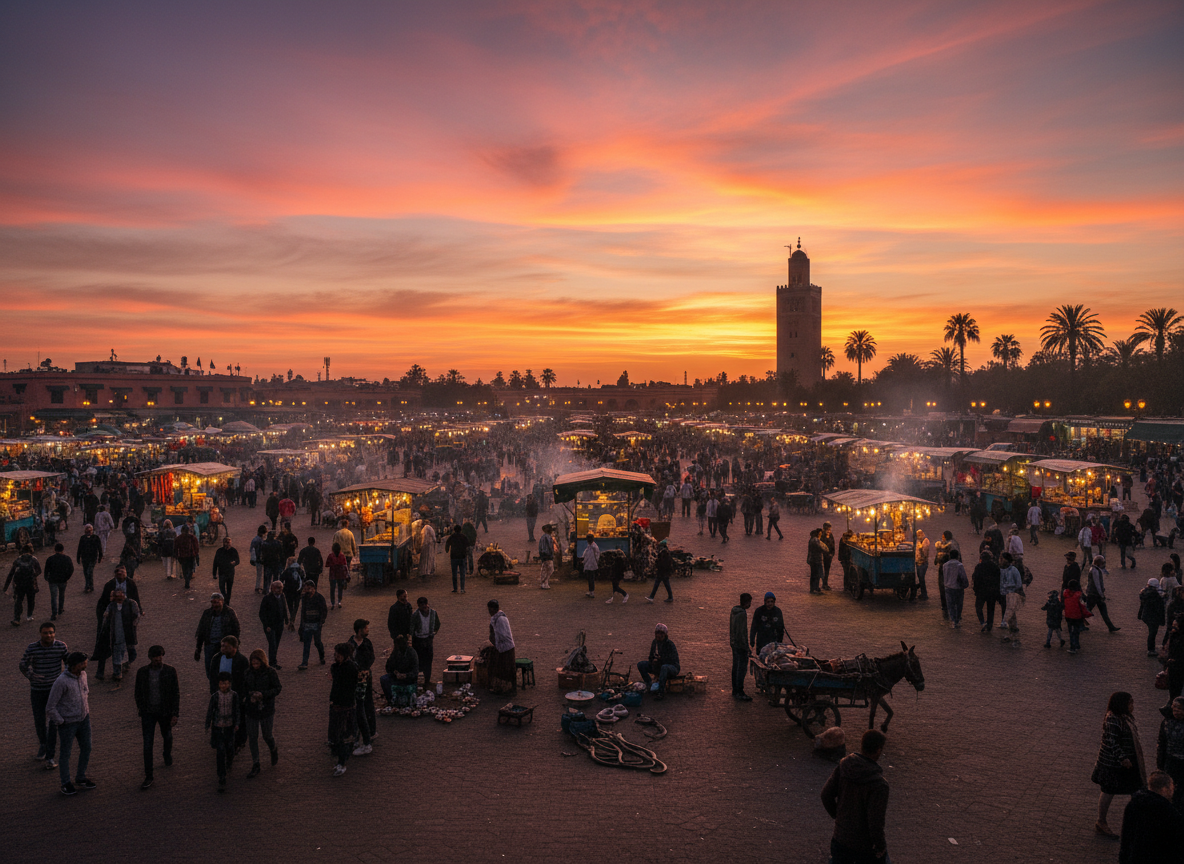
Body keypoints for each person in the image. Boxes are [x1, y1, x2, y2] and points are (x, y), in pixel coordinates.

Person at [820, 729, 890, 864]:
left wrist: (838, 816)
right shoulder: (879, 784)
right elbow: (875, 823)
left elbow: (825, 795)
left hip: (840, 838)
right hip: (864, 846)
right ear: (878, 750)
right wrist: (880, 847)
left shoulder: (844, 766)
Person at [1093, 691, 1147, 837]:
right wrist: (1123, 758)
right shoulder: (1113, 719)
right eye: (1130, 703)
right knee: (1109, 791)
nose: (1132, 706)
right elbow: (1112, 742)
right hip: (1114, 764)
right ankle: (1101, 821)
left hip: (1129, 761)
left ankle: (1138, 821)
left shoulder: (1124, 716)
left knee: (1136, 789)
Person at [20, 621, 68, 768]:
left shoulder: (61, 646)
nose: (49, 635)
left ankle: (50, 754)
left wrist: (64, 680)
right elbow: (23, 664)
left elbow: (68, 664)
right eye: (46, 633)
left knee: (53, 722)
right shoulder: (32, 648)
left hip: (54, 690)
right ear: (40, 634)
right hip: (37, 690)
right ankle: (43, 743)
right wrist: (31, 675)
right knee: (39, 720)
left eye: (51, 632)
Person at [47, 651, 94, 796]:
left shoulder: (83, 675)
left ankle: (80, 777)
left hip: (83, 719)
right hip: (68, 723)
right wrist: (61, 721)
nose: (85, 666)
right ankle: (65, 782)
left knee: (87, 748)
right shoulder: (61, 682)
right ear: (74, 665)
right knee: (65, 754)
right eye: (83, 664)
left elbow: (85, 692)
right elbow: (50, 707)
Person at [134, 645, 179, 790]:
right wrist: (141, 708)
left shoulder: (170, 671)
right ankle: (149, 775)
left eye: (160, 656)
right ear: (150, 658)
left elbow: (175, 693)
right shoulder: (142, 673)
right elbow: (137, 693)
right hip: (148, 713)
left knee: (167, 736)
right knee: (147, 744)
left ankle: (167, 754)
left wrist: (175, 713)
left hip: (164, 712)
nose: (158, 659)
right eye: (155, 657)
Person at [1120, 770, 1184, 862]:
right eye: (1172, 787)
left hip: (1134, 857)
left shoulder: (1134, 804)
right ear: (1164, 789)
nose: (1173, 791)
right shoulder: (1168, 811)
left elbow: (1126, 835)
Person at [242, 648, 281, 778]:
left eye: (257, 663)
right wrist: (250, 696)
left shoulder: (270, 673)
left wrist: (263, 695)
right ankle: (256, 763)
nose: (255, 666)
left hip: (266, 709)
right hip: (251, 709)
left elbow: (277, 688)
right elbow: (244, 688)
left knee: (267, 735)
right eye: (253, 663)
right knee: (252, 737)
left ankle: (273, 748)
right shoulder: (247, 673)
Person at [95, 587, 140, 688]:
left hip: (128, 634)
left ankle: (125, 663)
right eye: (117, 597)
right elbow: (106, 617)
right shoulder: (112, 606)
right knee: (116, 652)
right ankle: (117, 673)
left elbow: (137, 615)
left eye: (121, 597)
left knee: (130, 651)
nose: (119, 599)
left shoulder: (131, 603)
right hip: (115, 634)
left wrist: (133, 625)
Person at [204, 671, 240, 790]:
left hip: (229, 726)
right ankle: (221, 775)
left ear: (229, 683)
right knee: (220, 750)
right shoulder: (215, 696)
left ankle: (229, 761)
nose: (223, 686)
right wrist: (207, 724)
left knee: (230, 747)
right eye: (221, 684)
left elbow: (237, 710)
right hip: (218, 726)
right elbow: (210, 711)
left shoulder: (234, 695)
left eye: (225, 683)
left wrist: (237, 724)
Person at [328, 642, 359, 776]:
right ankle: (339, 753)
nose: (336, 656)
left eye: (338, 654)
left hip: (345, 705)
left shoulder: (350, 668)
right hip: (336, 703)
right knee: (336, 733)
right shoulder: (338, 667)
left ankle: (342, 762)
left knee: (342, 734)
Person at [194, 592, 240, 671]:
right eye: (213, 602)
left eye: (216, 602)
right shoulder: (207, 613)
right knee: (210, 669)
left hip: (225, 646)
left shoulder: (230, 612)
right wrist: (198, 648)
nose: (215, 605)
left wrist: (234, 645)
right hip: (210, 645)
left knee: (225, 669)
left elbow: (236, 629)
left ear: (222, 601)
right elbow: (201, 631)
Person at [350, 619, 376, 755]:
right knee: (359, 706)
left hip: (366, 676)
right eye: (366, 628)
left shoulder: (367, 643)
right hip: (357, 679)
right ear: (359, 630)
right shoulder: (351, 644)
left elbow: (372, 658)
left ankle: (371, 732)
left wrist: (365, 668)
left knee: (368, 703)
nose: (368, 630)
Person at [637, 623, 680, 700]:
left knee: (664, 667)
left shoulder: (669, 644)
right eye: (657, 633)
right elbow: (650, 656)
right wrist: (652, 661)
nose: (659, 635)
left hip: (672, 668)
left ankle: (661, 692)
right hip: (658, 666)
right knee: (640, 665)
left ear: (665, 635)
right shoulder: (654, 643)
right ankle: (649, 684)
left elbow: (673, 659)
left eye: (661, 633)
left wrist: (661, 659)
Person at [1156, 696, 1184, 812]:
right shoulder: (1167, 722)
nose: (1176, 711)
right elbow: (1161, 743)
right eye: (1174, 709)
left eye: (1180, 709)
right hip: (1170, 761)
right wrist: (1160, 764)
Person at [4, 545, 42, 625]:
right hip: (31, 583)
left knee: (19, 600)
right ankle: (29, 615)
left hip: (20, 583)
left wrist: (6, 586)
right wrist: (33, 576)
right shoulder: (34, 559)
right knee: (31, 600)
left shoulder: (18, 560)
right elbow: (39, 570)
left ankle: (17, 618)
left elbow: (11, 573)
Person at [380, 634, 419, 711]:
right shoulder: (396, 652)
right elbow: (388, 668)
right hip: (397, 677)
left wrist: (405, 676)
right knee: (384, 679)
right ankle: (391, 700)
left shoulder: (412, 653)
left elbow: (415, 672)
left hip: (409, 679)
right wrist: (395, 672)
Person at [296, 579, 329, 670]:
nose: (307, 590)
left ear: (314, 588)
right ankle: (304, 662)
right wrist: (302, 624)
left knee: (317, 642)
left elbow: (324, 610)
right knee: (307, 643)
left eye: (309, 588)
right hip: (307, 623)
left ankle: (321, 656)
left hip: (316, 623)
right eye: (306, 589)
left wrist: (321, 621)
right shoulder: (304, 598)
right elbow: (303, 611)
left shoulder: (319, 598)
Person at [486, 600, 516, 695]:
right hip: (500, 646)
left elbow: (503, 635)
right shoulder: (494, 618)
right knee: (500, 668)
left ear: (495, 609)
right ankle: (500, 687)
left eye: (490, 610)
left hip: (506, 647)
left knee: (507, 669)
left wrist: (495, 641)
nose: (489, 612)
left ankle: (510, 688)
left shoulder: (501, 619)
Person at [1086, 555, 1121, 633]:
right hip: (1094, 595)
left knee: (1100, 610)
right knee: (1088, 610)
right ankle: (1078, 623)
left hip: (1094, 594)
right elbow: (1097, 583)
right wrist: (1101, 594)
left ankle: (1111, 626)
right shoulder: (1095, 570)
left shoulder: (1095, 569)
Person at [259, 580, 288, 669]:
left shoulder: (282, 596)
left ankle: (273, 661)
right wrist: (266, 625)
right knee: (273, 644)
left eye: (281, 588)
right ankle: (272, 663)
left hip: (279, 624)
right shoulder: (267, 598)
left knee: (276, 643)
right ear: (272, 588)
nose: (279, 590)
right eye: (278, 588)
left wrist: (286, 619)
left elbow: (284, 607)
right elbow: (262, 613)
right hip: (270, 626)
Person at [411, 596, 440, 686]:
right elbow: (412, 628)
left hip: (428, 639)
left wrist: (433, 632)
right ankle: (419, 680)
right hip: (418, 640)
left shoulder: (433, 613)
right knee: (419, 661)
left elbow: (437, 624)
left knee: (428, 660)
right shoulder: (415, 615)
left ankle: (427, 680)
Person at [971, 549, 1001, 632]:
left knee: (978, 607)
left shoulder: (979, 567)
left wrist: (975, 590)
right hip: (992, 592)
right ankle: (989, 625)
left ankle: (982, 622)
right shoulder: (995, 566)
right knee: (991, 609)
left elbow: (975, 579)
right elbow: (998, 580)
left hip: (981, 591)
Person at [730, 593, 753, 701]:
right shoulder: (742, 614)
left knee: (735, 667)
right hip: (740, 646)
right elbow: (742, 632)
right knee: (741, 669)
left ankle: (735, 690)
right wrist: (746, 647)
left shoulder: (734, 611)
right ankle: (739, 691)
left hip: (734, 644)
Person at [998, 552, 1024, 646]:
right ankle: (1013, 630)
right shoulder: (1000, 570)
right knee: (1009, 613)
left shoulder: (1013, 570)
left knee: (1008, 614)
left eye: (1002, 558)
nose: (1000, 560)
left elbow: (1018, 584)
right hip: (1003, 594)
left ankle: (1009, 634)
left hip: (1011, 594)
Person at [44, 543, 74, 622]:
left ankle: (54, 613)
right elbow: (71, 569)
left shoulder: (50, 559)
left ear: (55, 550)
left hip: (53, 580)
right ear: (63, 550)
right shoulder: (67, 558)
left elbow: (46, 570)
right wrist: (67, 577)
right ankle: (60, 608)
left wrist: (47, 578)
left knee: (53, 597)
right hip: (63, 580)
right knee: (61, 594)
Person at [1140, 578, 1168, 657]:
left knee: (1151, 632)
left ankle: (1151, 648)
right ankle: (1151, 649)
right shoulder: (1155, 596)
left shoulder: (1144, 593)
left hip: (1146, 615)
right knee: (1152, 633)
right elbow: (1159, 608)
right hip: (1153, 617)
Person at [943, 548, 969, 629]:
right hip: (958, 588)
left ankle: (953, 620)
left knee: (950, 605)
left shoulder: (945, 565)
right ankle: (957, 620)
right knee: (958, 605)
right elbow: (963, 577)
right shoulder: (959, 565)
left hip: (948, 587)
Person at [211, 537, 240, 607]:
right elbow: (215, 562)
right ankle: (225, 598)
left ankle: (227, 602)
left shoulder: (233, 551)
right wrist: (214, 573)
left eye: (229, 542)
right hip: (222, 572)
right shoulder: (219, 551)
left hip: (230, 573)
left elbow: (238, 560)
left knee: (229, 588)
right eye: (226, 542)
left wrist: (234, 562)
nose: (228, 544)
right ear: (223, 543)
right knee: (222, 588)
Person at [76, 524, 103, 592]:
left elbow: (99, 548)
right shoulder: (83, 538)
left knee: (89, 571)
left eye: (90, 530)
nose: (89, 531)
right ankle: (90, 585)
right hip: (84, 558)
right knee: (86, 572)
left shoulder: (96, 538)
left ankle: (88, 585)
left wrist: (100, 557)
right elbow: (80, 548)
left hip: (93, 558)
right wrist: (78, 557)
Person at [175, 524, 200, 590]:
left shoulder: (178, 538)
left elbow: (175, 548)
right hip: (191, 555)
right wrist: (196, 555)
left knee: (184, 569)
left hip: (182, 556)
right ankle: (188, 580)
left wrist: (176, 555)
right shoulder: (192, 537)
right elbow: (196, 547)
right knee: (191, 568)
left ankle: (186, 579)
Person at [325, 542, 349, 610]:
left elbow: (327, 564)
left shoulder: (330, 555)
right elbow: (345, 564)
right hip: (340, 574)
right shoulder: (342, 555)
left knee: (332, 589)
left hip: (332, 574)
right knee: (340, 588)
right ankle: (339, 601)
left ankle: (333, 602)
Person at [445, 525, 469, 594]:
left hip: (454, 557)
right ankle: (462, 588)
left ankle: (455, 588)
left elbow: (447, 544)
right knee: (462, 574)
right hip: (462, 556)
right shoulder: (463, 536)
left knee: (454, 574)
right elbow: (467, 545)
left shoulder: (452, 537)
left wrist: (447, 550)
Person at [912, 529, 931, 601]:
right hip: (918, 562)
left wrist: (920, 549)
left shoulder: (925, 541)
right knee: (920, 578)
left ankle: (924, 594)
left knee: (921, 578)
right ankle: (922, 592)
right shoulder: (919, 541)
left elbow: (924, 554)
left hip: (922, 563)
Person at [249, 524, 266, 593]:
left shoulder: (255, 539)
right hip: (259, 559)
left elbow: (251, 549)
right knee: (260, 574)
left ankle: (258, 586)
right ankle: (257, 587)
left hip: (256, 559)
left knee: (259, 573)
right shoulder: (260, 540)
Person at [807, 528, 825, 595]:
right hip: (816, 560)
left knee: (815, 574)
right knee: (816, 574)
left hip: (814, 559)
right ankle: (814, 588)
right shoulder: (815, 540)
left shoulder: (812, 540)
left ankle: (814, 588)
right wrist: (825, 550)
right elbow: (819, 548)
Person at [582, 534, 600, 598]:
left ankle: (591, 592)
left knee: (591, 579)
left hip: (591, 565)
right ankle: (591, 591)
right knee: (590, 579)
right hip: (591, 565)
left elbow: (594, 556)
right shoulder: (592, 546)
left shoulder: (593, 547)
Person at [537, 524, 555, 589]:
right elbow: (550, 547)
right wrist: (552, 553)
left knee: (545, 569)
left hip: (544, 555)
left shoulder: (543, 537)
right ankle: (545, 582)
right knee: (550, 569)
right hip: (547, 555)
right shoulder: (547, 537)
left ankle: (544, 582)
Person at [820, 522, 836, 590]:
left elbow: (833, 544)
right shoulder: (822, 536)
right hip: (824, 555)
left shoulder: (831, 535)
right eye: (828, 529)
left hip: (829, 556)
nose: (829, 531)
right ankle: (824, 583)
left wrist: (832, 553)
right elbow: (822, 545)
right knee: (823, 570)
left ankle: (825, 583)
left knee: (827, 570)